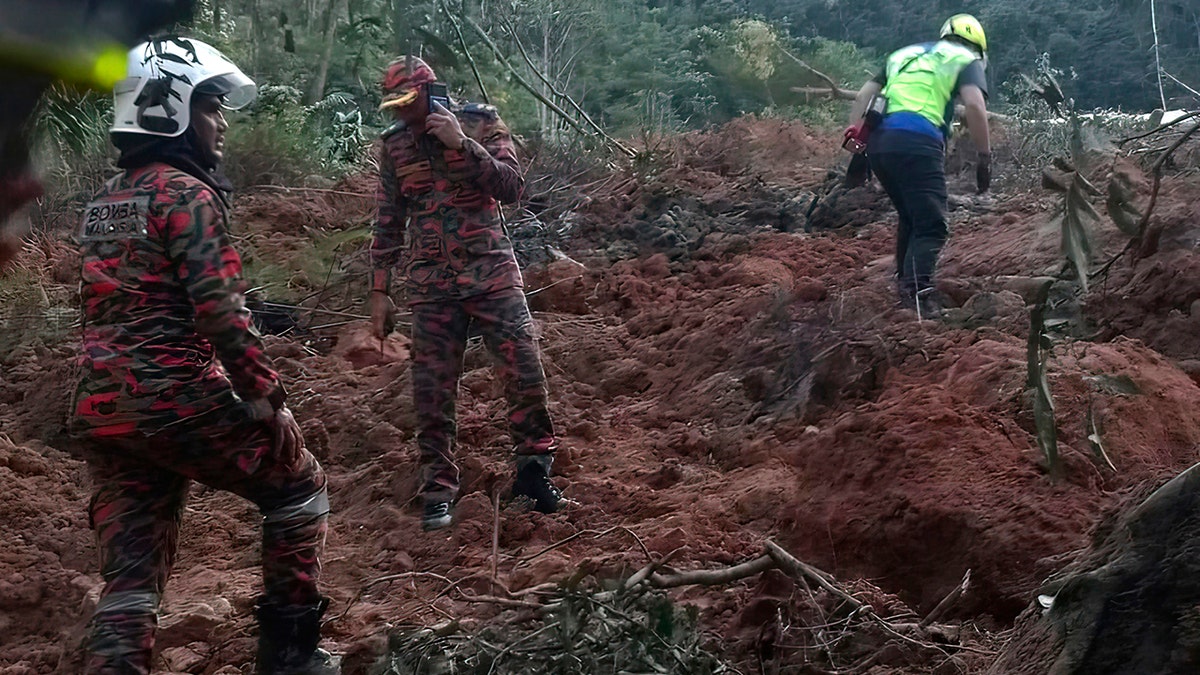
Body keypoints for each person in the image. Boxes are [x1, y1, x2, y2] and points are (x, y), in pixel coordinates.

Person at [70, 37, 338, 674]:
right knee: (299, 487)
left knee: (132, 574)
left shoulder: (107, 198)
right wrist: (268, 397)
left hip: (102, 410)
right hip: (176, 398)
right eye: (212, 107)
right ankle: (291, 653)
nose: (221, 123)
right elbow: (220, 312)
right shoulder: (186, 194)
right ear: (173, 111)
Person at [369, 56, 562, 531]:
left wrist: (463, 144)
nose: (401, 115)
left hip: (492, 274)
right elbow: (388, 219)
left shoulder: (481, 122)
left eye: (408, 103)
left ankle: (534, 472)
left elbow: (513, 187)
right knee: (431, 393)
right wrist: (379, 290)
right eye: (394, 106)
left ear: (431, 93)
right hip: (432, 286)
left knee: (524, 372)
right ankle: (438, 487)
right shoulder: (394, 146)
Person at [847, 13, 992, 317]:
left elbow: (863, 95)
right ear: (978, 48)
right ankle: (917, 298)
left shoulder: (903, 54)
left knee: (912, 217)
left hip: (879, 144)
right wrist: (984, 157)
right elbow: (976, 105)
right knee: (932, 226)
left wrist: (858, 147)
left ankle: (904, 289)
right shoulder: (966, 60)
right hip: (917, 142)